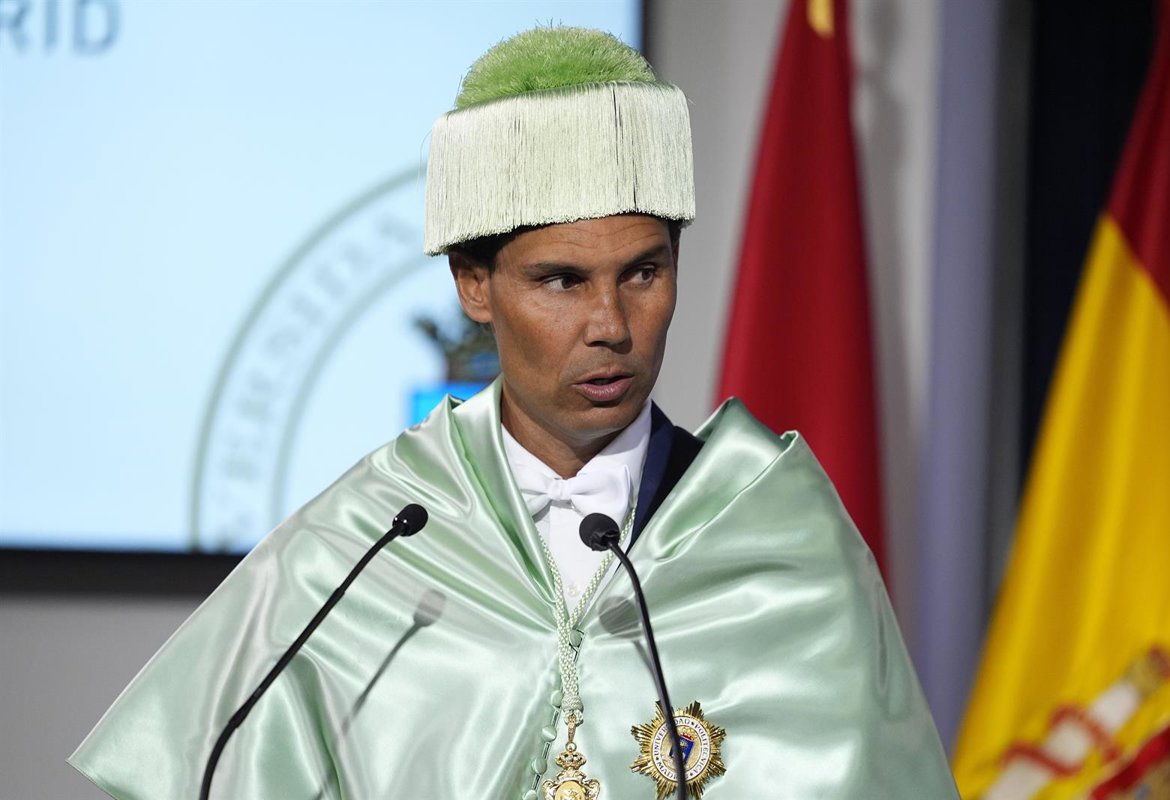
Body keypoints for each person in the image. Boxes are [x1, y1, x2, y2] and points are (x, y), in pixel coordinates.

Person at [70, 27, 958, 799]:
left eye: (643, 272)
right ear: (473, 285)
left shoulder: (776, 535)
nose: (611, 325)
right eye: (560, 280)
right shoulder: (363, 544)